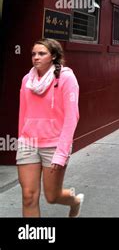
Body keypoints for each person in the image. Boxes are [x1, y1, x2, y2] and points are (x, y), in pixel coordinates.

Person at [17, 38, 83, 217]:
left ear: (53, 56)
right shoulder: (26, 80)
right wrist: (20, 139)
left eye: (41, 53)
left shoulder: (66, 78)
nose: (36, 57)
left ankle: (74, 201)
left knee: (52, 196)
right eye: (33, 54)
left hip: (54, 145)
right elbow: (23, 114)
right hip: (28, 143)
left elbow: (72, 117)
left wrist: (61, 153)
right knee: (28, 196)